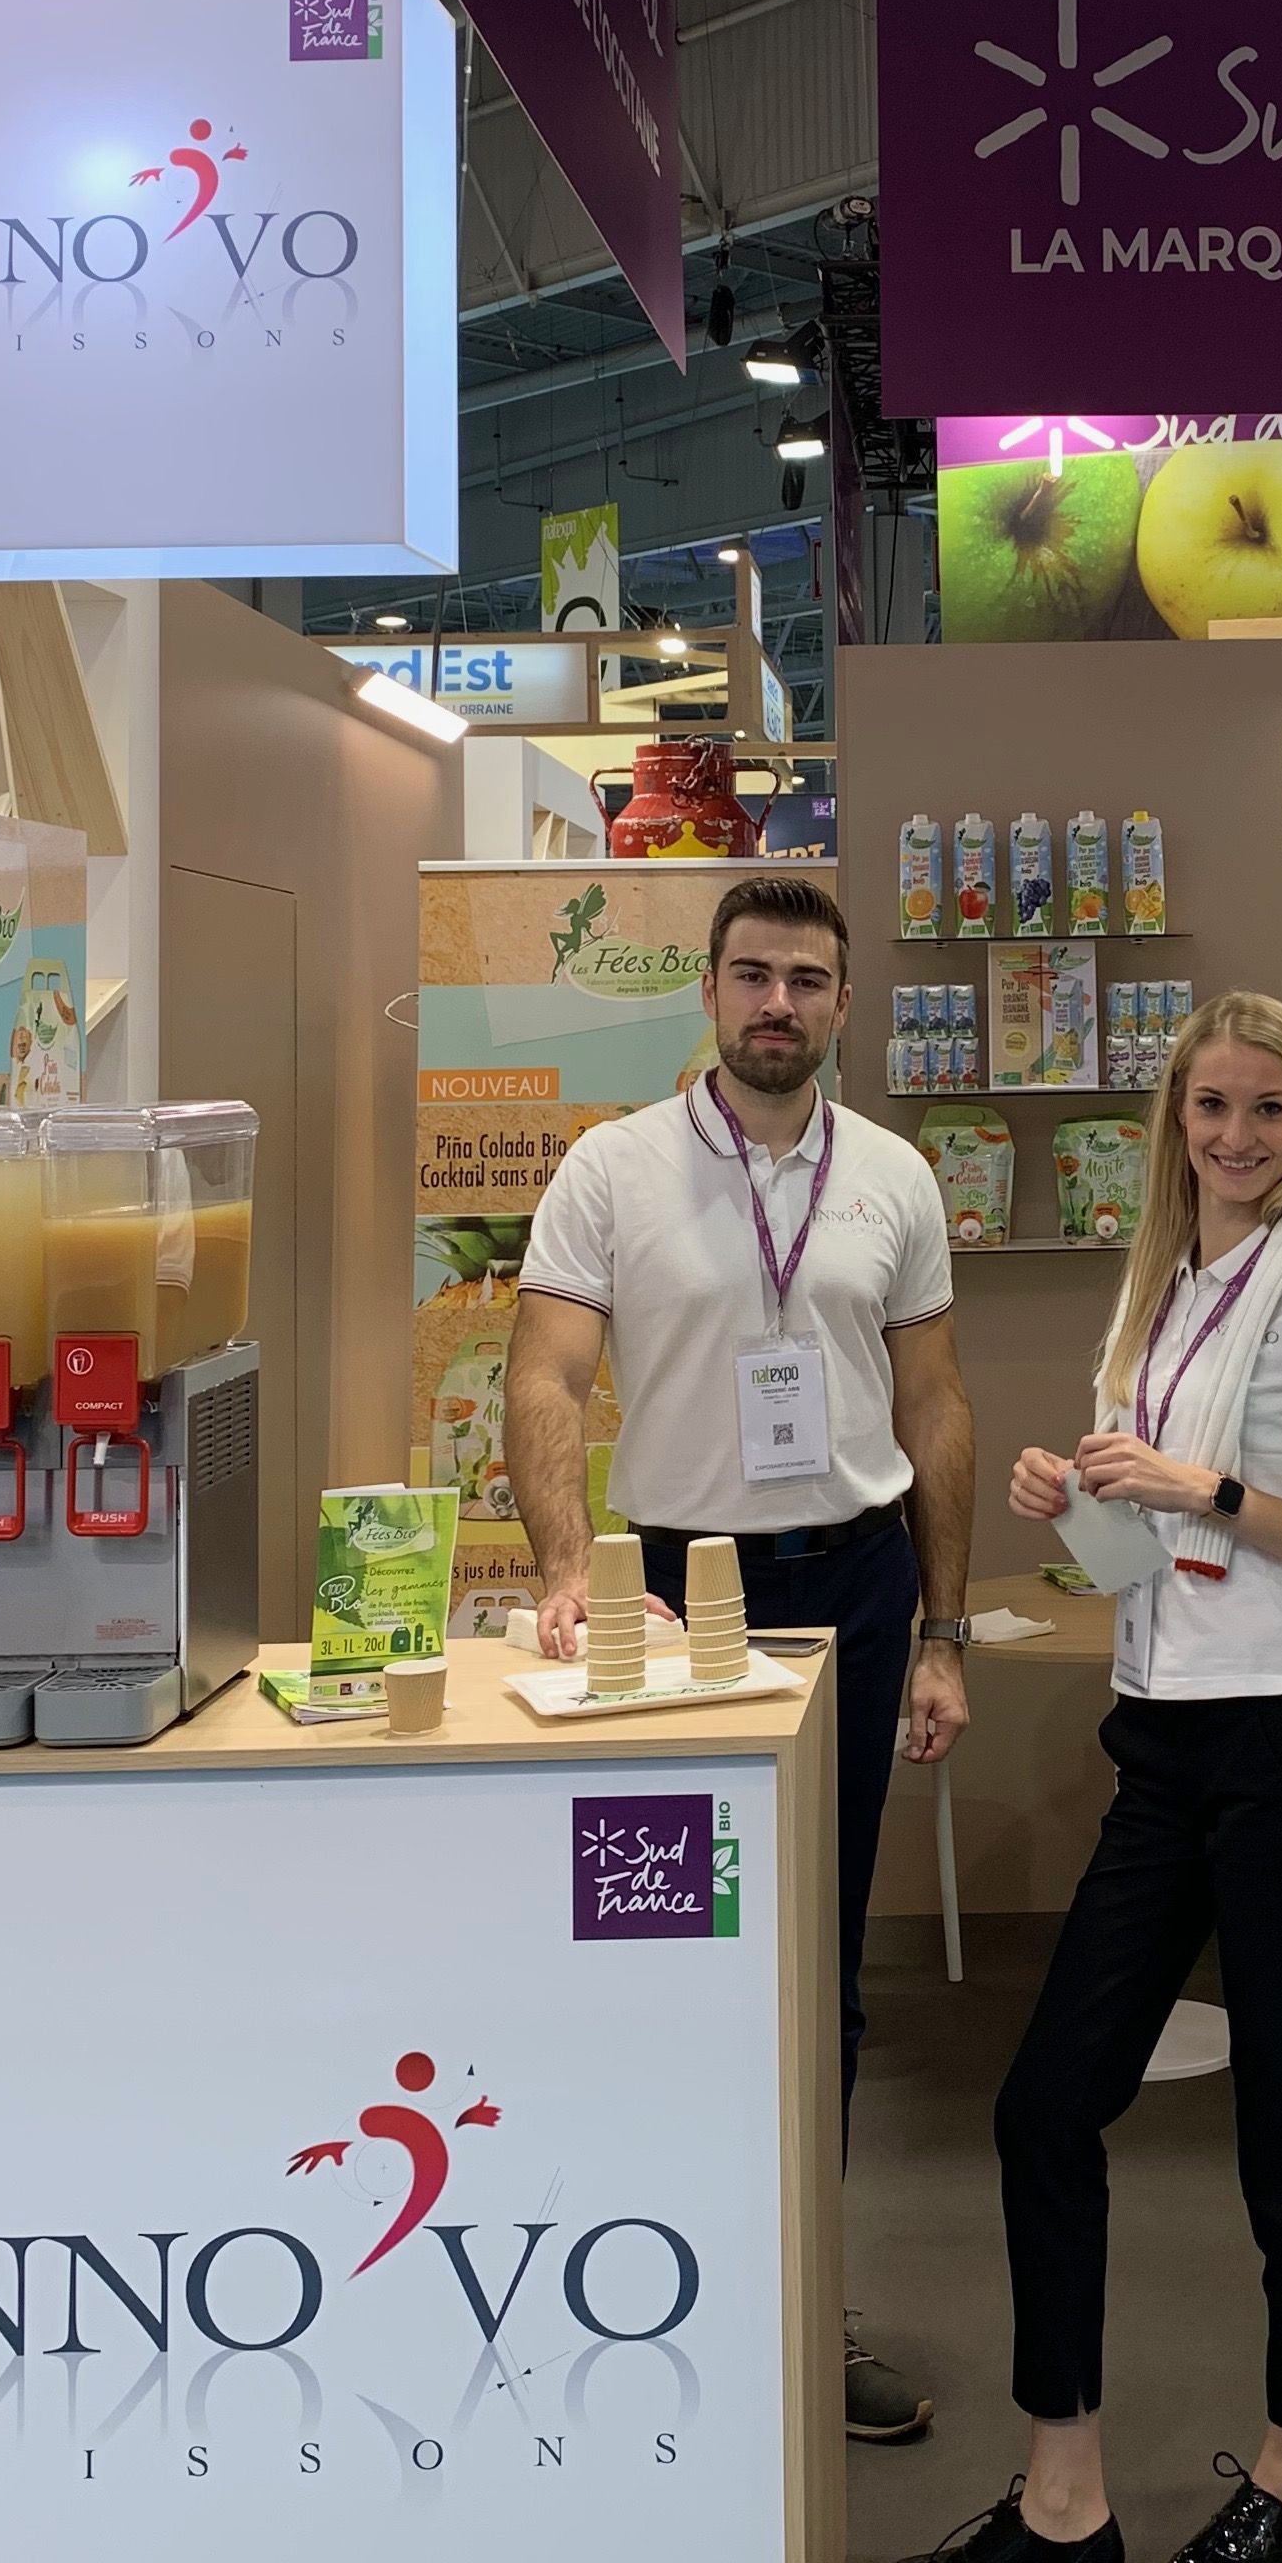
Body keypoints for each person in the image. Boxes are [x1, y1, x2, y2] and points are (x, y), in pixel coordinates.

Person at [879, 991, 1282, 2563]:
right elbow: (1153, 1543)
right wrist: (1079, 1490)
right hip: (1162, 1746)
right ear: (1176, 1119)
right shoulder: (1163, 1289)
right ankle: (1065, 2507)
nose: (1236, 1136)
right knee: (1045, 2108)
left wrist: (1209, 1490)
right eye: (1211, 1106)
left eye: (1268, 1110)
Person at [505, 873, 975, 2447]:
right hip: (672, 1600)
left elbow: (936, 1408)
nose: (779, 1003)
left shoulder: (894, 1176)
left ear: (842, 1005)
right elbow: (546, 1376)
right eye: (754, 974)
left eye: (808, 980)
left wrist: (945, 1633)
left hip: (854, 1592)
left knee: (818, 1971)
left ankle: (799, 2313)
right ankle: (650, 2295)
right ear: (708, 991)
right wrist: (568, 1572)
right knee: (661, 1955)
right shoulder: (613, 1167)